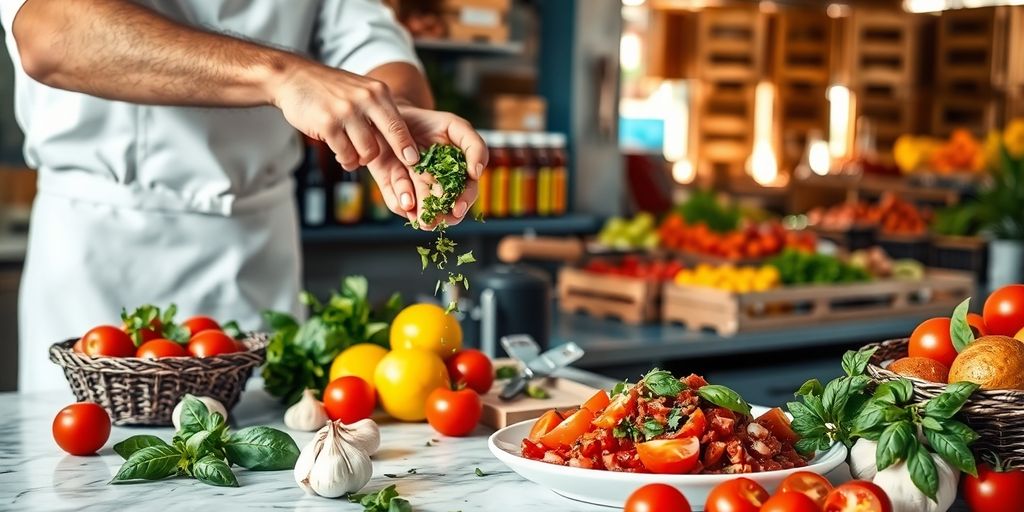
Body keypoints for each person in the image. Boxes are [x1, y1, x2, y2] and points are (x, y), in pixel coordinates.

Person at [1, 0, 486, 392]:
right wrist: (279, 74)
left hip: (253, 253)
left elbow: (369, 38)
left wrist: (392, 115)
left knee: (267, 470)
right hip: (101, 251)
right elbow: (50, 33)